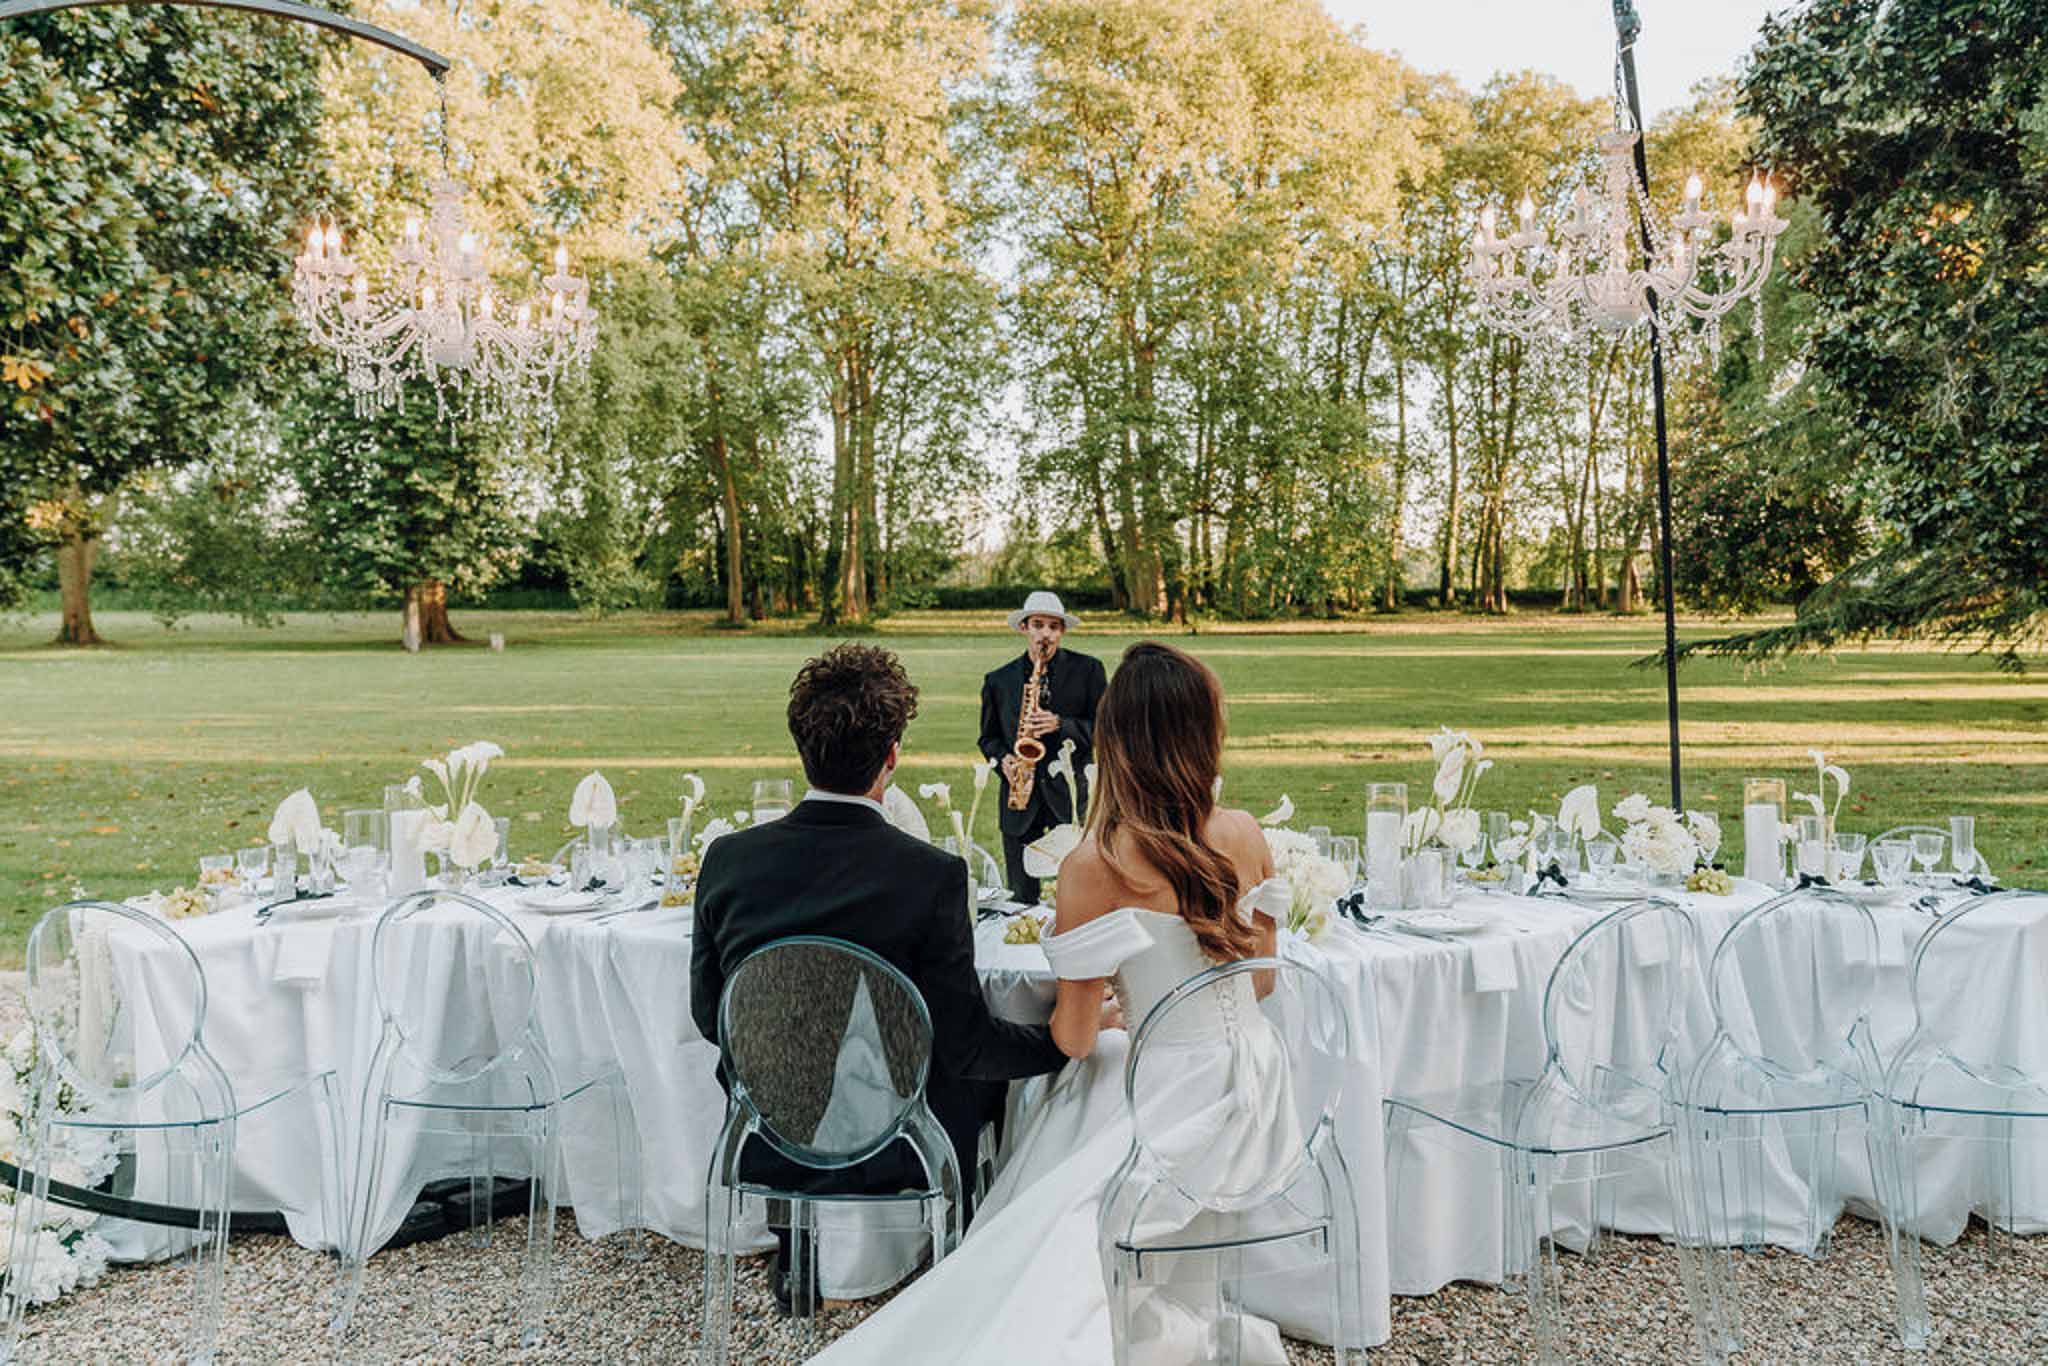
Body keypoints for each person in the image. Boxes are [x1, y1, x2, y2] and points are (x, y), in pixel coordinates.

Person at [813, 641, 1307, 1366]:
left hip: (1174, 1100)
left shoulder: (1094, 863)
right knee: (1086, 1107)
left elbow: (1073, 1038)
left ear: (1113, 742)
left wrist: (1119, 1009)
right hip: (1258, 1089)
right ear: (1206, 733)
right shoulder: (1245, 833)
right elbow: (1261, 983)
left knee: (1070, 1102)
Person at [690, 643, 1075, 1311]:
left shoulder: (728, 860)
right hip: (902, 1144)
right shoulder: (930, 876)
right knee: (978, 1087)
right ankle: (959, 1279)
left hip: (768, 1135)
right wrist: (1058, 1042)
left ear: (800, 745)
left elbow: (709, 1013)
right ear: (892, 755)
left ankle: (800, 1252)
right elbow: (967, 1047)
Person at [979, 590, 1108, 903]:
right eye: (1038, 625)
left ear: (1062, 631)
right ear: (1024, 628)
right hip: (1020, 798)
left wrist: (1060, 724)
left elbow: (1107, 729)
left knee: (1079, 895)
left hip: (1072, 798)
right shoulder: (998, 680)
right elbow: (988, 739)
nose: (1045, 634)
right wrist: (1003, 760)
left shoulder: (1089, 671)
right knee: (1021, 898)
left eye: (1053, 626)